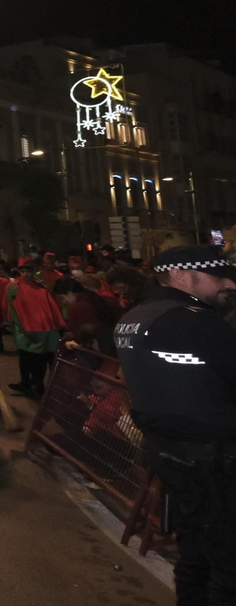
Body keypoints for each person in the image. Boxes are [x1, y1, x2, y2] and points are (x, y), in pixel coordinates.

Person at [115, 246, 236, 606]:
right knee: (228, 568)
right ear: (182, 275)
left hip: (171, 456)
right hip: (215, 462)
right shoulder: (195, 321)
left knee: (195, 557)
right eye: (219, 276)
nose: (229, 283)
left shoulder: (134, 318)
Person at [8, 257, 66, 397]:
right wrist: (22, 328)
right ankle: (29, 383)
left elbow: (51, 307)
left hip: (45, 329)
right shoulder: (14, 287)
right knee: (27, 357)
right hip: (25, 329)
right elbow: (12, 309)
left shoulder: (42, 286)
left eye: (29, 271)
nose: (26, 274)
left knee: (46, 357)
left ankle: (49, 388)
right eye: (23, 271)